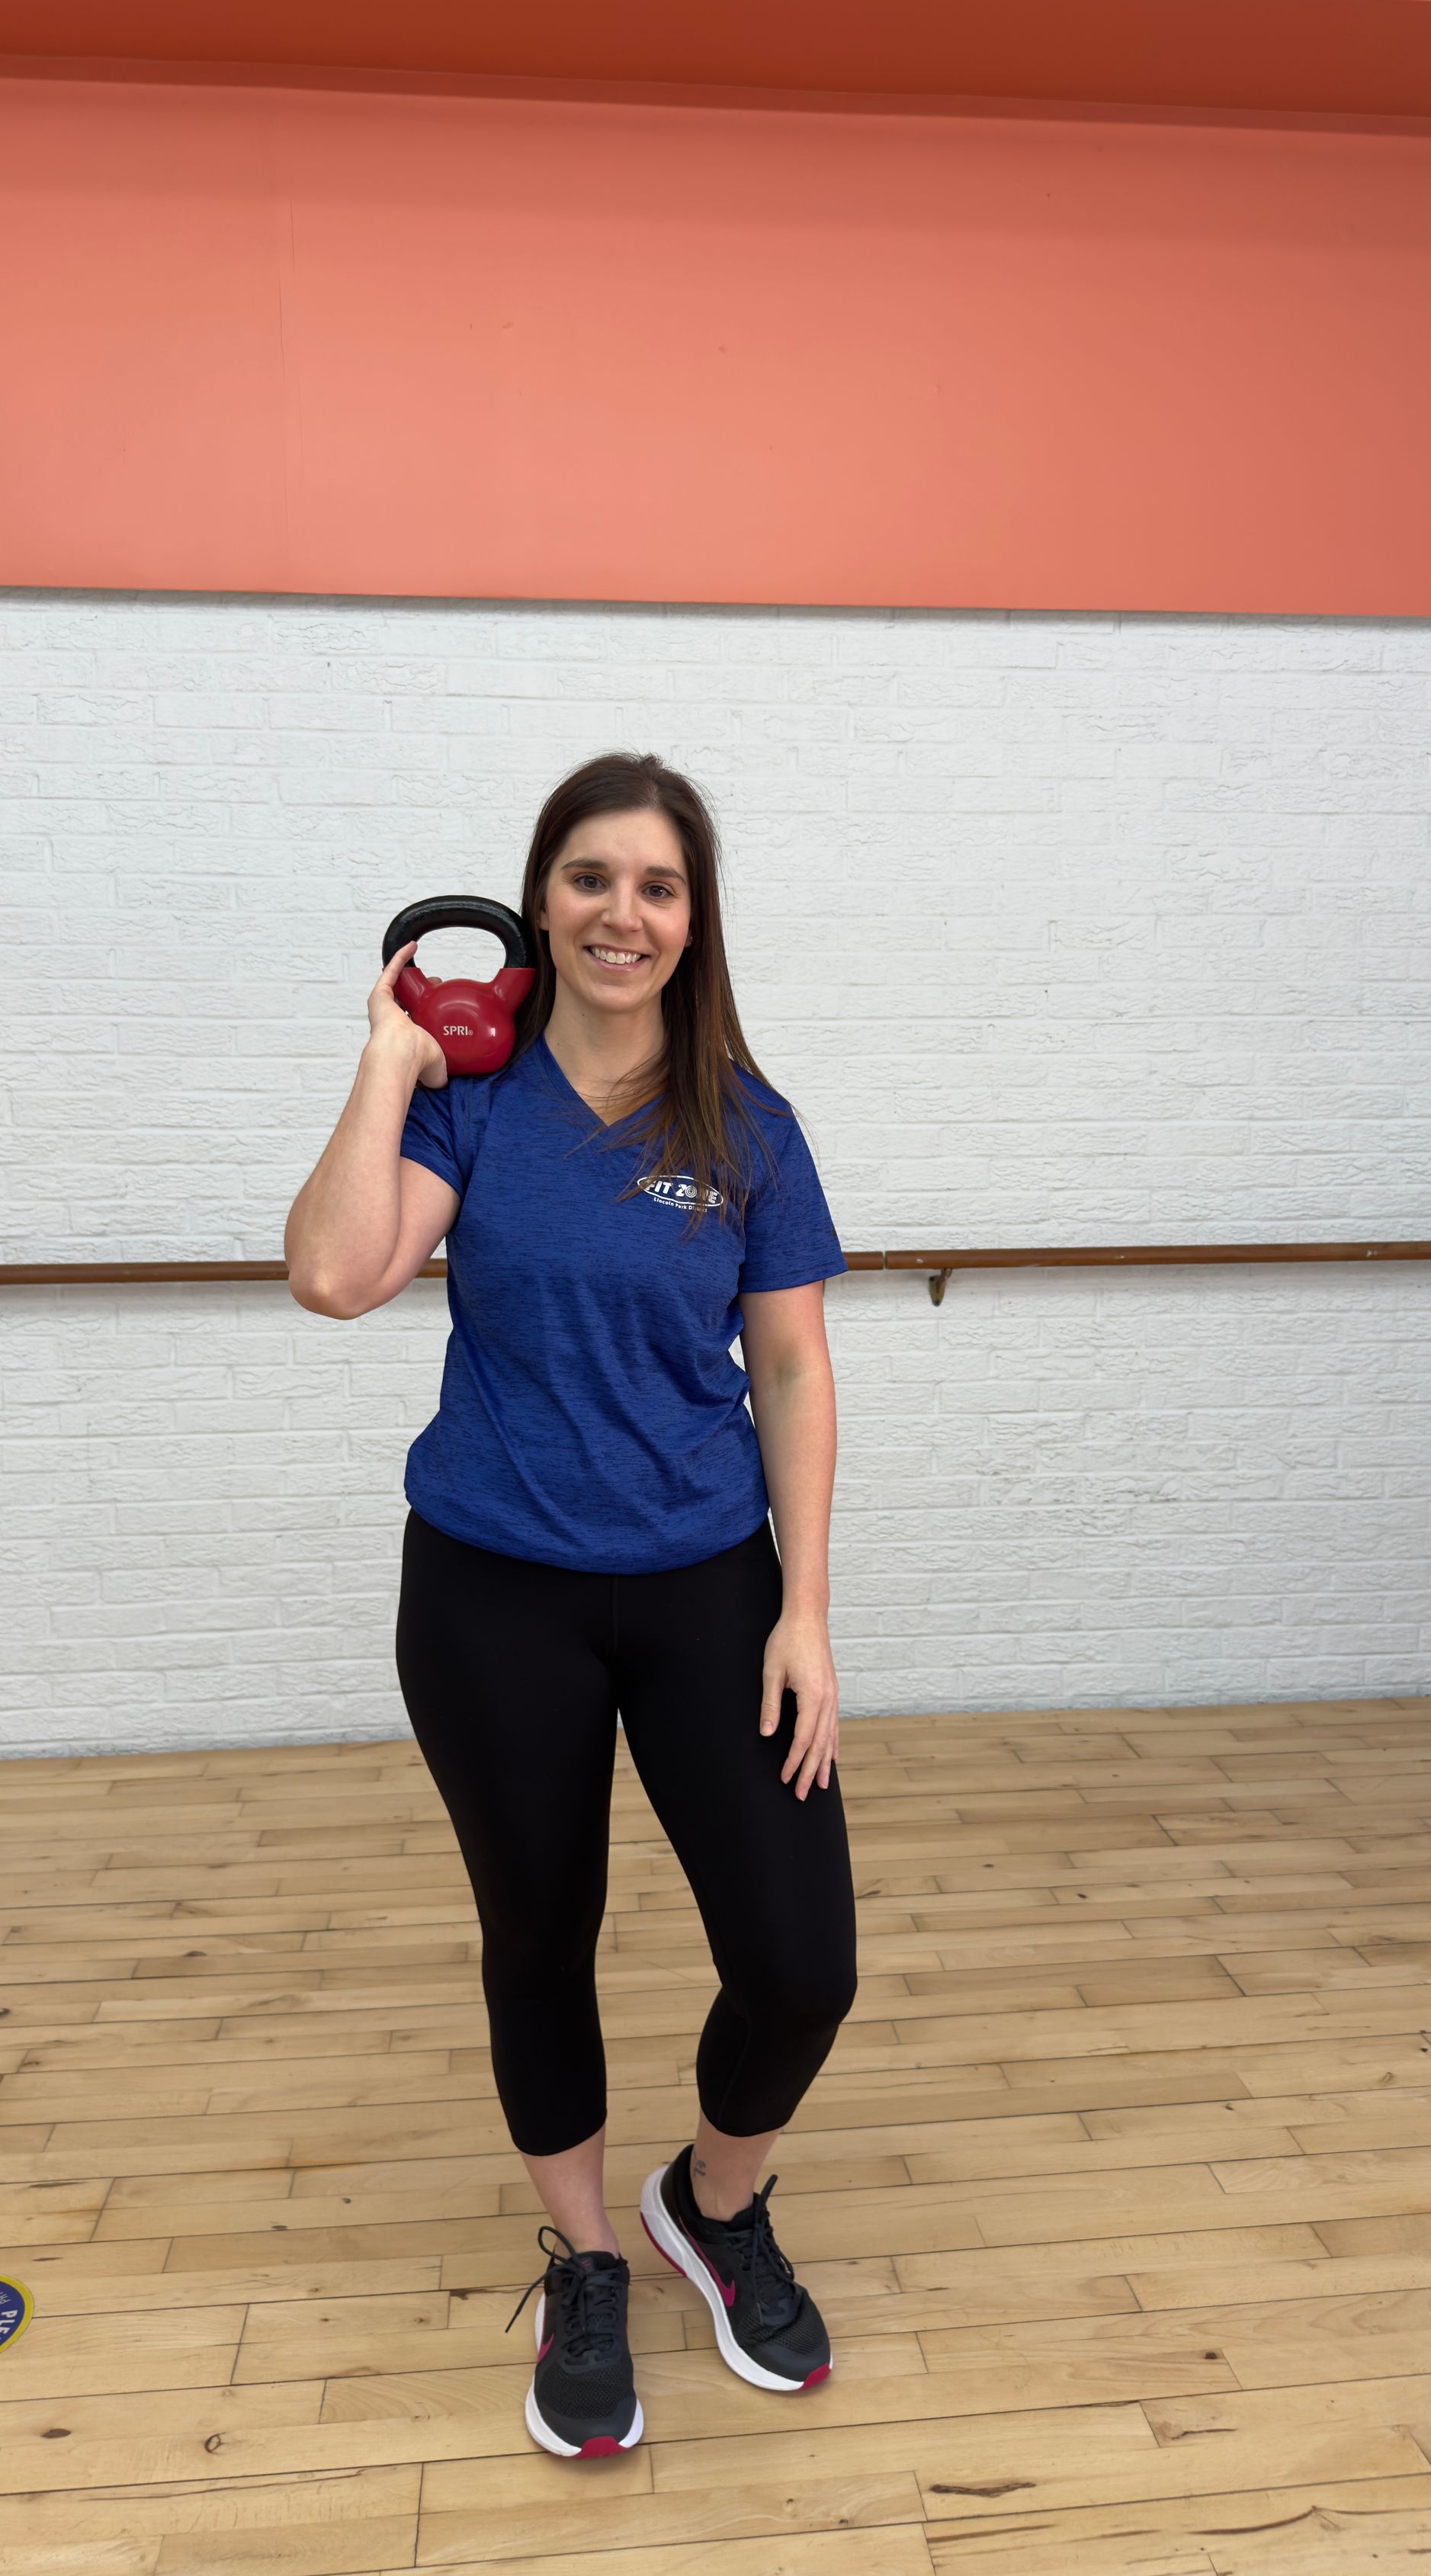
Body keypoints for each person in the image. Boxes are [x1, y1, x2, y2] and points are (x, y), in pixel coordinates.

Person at [284, 753, 857, 2459]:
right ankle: (591, 2254)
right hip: (491, 1593)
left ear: (696, 923)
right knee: (541, 1934)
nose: (625, 911)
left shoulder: (749, 1127)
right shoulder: (472, 1098)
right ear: (541, 902)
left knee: (801, 1961)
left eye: (659, 886)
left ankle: (712, 2204)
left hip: (704, 1587)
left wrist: (805, 1609)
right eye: (593, 878)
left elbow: (795, 1366)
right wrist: (391, 1058)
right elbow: (334, 1274)